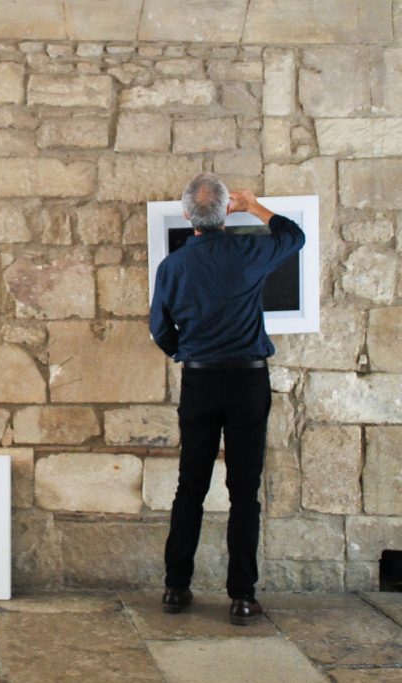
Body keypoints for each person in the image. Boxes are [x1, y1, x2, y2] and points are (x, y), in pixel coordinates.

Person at [149, 172, 305, 625]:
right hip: (247, 382)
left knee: (189, 488)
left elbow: (160, 328)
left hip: (200, 382)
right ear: (225, 212)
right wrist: (254, 205)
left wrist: (185, 352)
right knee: (244, 492)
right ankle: (242, 596)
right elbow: (293, 235)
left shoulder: (172, 267)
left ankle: (176, 589)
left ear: (186, 215)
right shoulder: (250, 251)